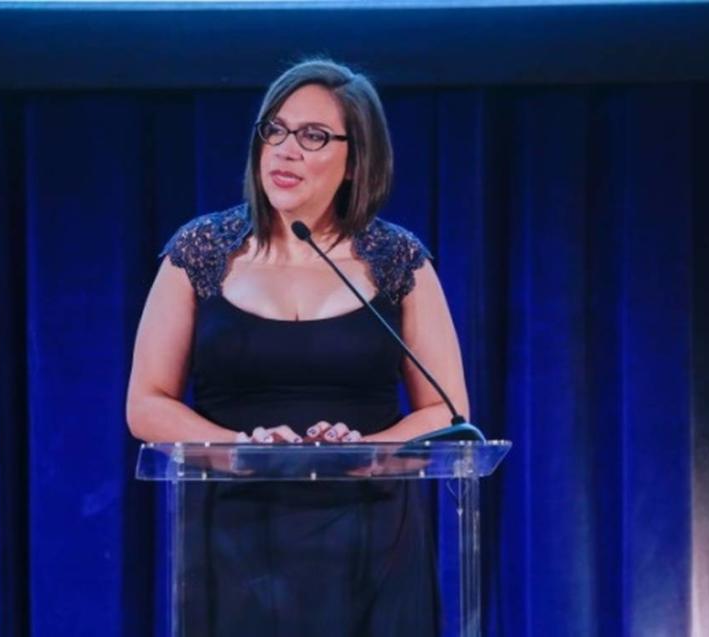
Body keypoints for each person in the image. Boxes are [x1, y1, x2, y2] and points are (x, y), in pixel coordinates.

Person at [127, 59, 469, 637]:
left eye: (312, 136)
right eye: (275, 130)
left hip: (372, 537)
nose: (285, 150)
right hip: (234, 535)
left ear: (355, 159)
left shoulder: (397, 260)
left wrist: (363, 450)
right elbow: (146, 404)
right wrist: (245, 446)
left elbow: (447, 414)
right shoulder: (200, 251)